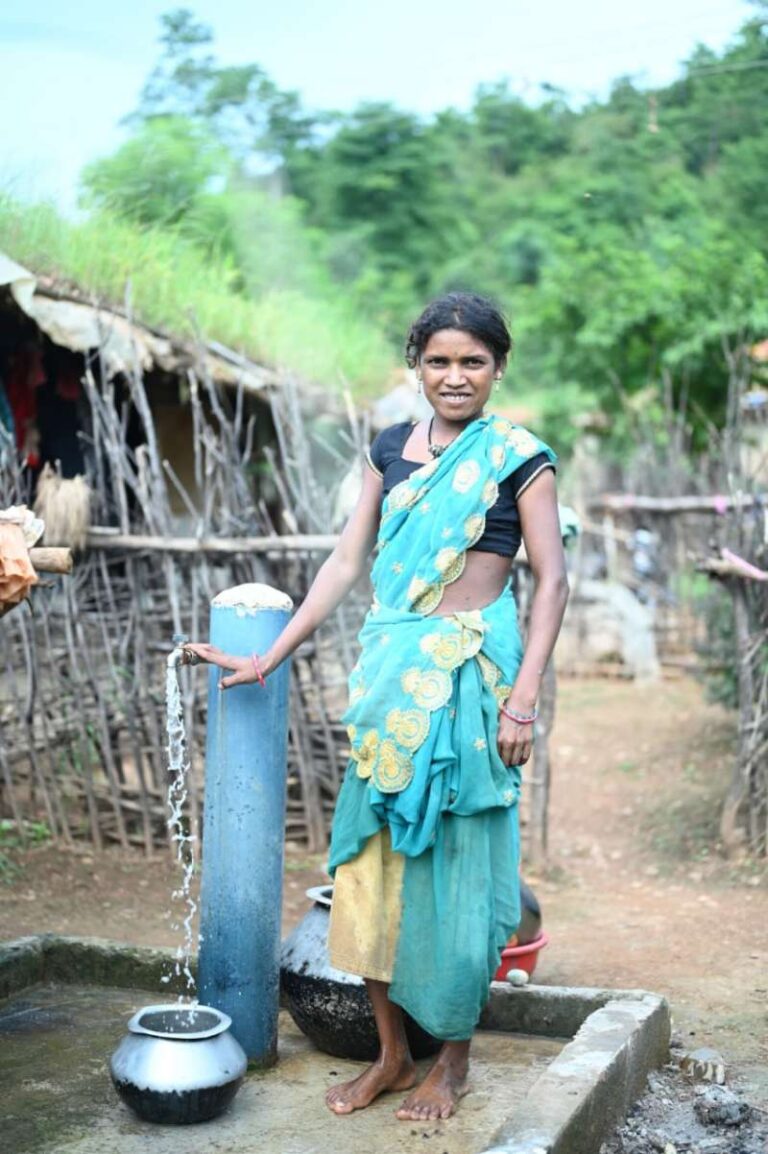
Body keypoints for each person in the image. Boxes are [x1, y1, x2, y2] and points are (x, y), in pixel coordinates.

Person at [186, 292, 569, 1122]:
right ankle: (393, 1055)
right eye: (439, 361)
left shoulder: (518, 457)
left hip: (472, 687)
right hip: (389, 679)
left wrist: (525, 697)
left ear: (498, 368)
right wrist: (269, 653)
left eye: (473, 361)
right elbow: (344, 561)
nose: (455, 376)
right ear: (416, 366)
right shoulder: (389, 450)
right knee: (367, 869)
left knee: (459, 870)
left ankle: (452, 1063)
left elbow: (552, 581)